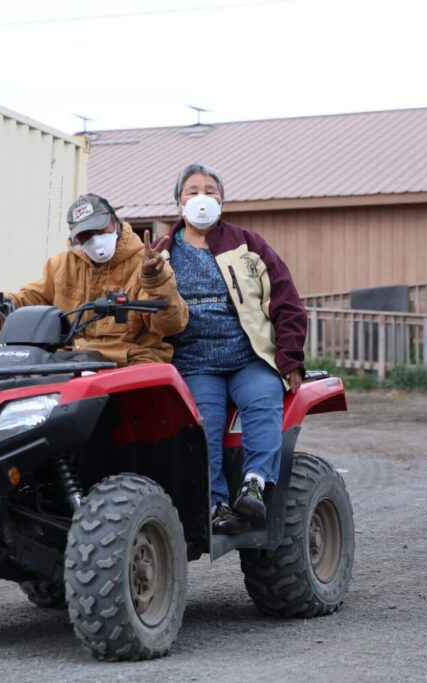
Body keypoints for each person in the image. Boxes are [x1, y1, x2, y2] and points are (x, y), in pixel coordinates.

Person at [165, 164, 307, 534]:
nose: (201, 197)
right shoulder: (160, 253)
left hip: (250, 358)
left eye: (210, 191)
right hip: (194, 363)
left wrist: (289, 357)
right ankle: (216, 504)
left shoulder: (249, 245)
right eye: (192, 190)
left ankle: (255, 485)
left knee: (264, 404)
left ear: (222, 200)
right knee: (203, 427)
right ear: (178, 201)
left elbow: (287, 302)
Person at [0, 193, 188, 366]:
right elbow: (28, 301)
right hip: (71, 363)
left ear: (116, 222)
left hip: (131, 363)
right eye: (85, 234)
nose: (94, 239)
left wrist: (154, 279)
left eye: (99, 229)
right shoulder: (60, 265)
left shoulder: (148, 262)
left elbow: (170, 324)